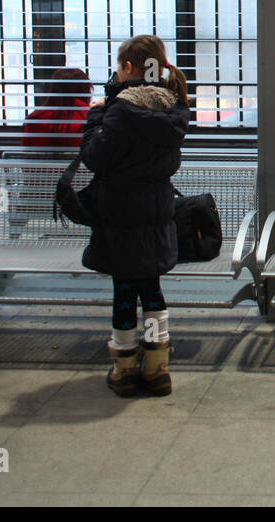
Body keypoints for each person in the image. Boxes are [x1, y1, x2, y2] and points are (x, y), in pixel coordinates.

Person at [80, 36, 190, 398]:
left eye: (118, 66)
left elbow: (96, 157)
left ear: (128, 68)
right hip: (156, 208)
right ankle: (158, 369)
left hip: (120, 209)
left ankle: (124, 368)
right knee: (151, 287)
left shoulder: (120, 109)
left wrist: (97, 113)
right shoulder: (171, 105)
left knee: (124, 289)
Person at [21, 67, 92, 152]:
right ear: (85, 90)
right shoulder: (90, 118)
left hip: (43, 165)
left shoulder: (34, 119)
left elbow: (26, 157)